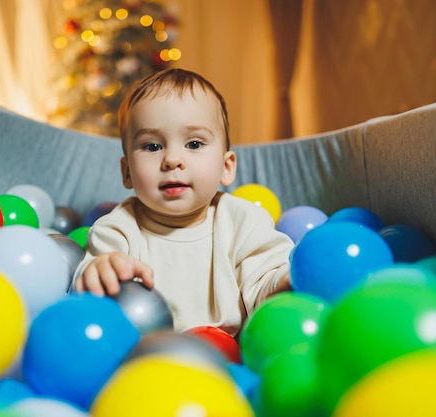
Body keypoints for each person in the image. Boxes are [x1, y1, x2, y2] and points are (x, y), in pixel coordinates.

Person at [72, 68, 294, 337]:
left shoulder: (244, 222)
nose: (172, 159)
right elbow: (89, 286)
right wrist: (100, 270)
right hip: (145, 357)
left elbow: (265, 285)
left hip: (232, 359)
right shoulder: (117, 229)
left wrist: (286, 282)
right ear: (127, 172)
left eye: (194, 143)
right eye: (153, 146)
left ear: (226, 167)